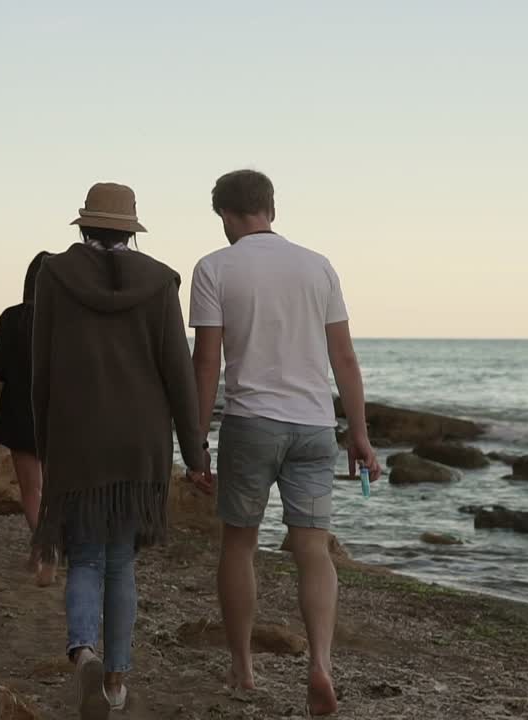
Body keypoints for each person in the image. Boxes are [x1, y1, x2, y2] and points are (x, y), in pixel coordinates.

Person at [188, 169, 381, 716]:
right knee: (314, 550)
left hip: (251, 423)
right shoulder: (318, 266)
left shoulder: (214, 267)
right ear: (271, 208)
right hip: (315, 426)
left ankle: (244, 669)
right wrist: (360, 436)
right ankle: (320, 664)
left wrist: (196, 441)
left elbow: (207, 362)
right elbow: (343, 359)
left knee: (239, 544)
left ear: (224, 215)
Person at [32, 182, 208, 719]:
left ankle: (84, 650)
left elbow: (41, 370)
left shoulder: (53, 276)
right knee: (121, 565)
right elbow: (178, 372)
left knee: (84, 557)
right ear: (130, 230)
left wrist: (47, 448)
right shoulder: (159, 282)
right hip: (139, 444)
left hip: (78, 438)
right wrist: (196, 455)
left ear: (85, 226)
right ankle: (114, 681)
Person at [0, 250, 57, 586]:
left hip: (19, 408)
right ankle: (40, 551)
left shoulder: (11, 317)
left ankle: (47, 552)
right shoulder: (67, 318)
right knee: (53, 487)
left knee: (32, 489)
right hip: (59, 410)